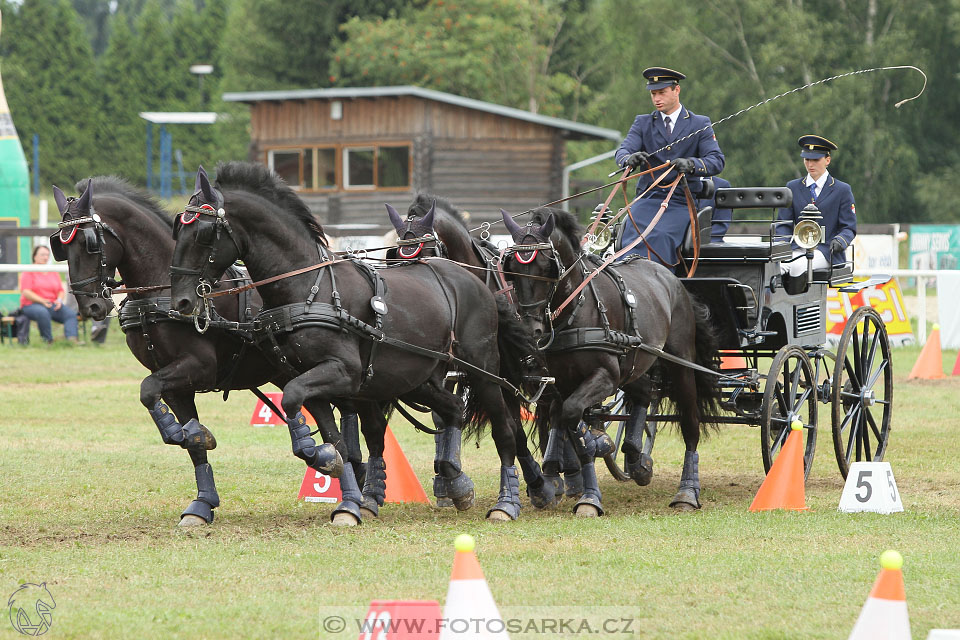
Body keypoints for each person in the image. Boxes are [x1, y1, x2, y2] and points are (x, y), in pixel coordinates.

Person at [614, 67, 725, 270]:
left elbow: (716, 161)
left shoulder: (699, 123)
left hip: (681, 201)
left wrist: (691, 164)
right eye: (653, 94)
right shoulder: (643, 123)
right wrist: (629, 158)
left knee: (661, 235)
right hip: (648, 198)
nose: (656, 99)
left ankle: (658, 283)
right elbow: (622, 151)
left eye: (662, 92)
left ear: (676, 90)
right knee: (633, 234)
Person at [776, 135, 856, 276]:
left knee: (797, 266)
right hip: (797, 248)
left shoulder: (842, 190)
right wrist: (780, 245)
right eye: (807, 159)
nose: (810, 164)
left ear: (827, 160)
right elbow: (784, 223)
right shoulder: (792, 187)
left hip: (826, 251)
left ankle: (798, 292)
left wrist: (840, 241)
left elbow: (849, 227)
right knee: (775, 266)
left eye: (815, 160)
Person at [19, 245, 80, 344]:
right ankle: (48, 341)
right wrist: (42, 301)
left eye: (47, 255)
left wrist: (59, 300)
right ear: (35, 256)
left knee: (70, 314)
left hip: (52, 304)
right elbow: (26, 292)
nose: (45, 257)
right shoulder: (28, 271)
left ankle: (71, 340)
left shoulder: (52, 271)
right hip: (31, 305)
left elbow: (60, 290)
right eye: (42, 255)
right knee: (42, 313)